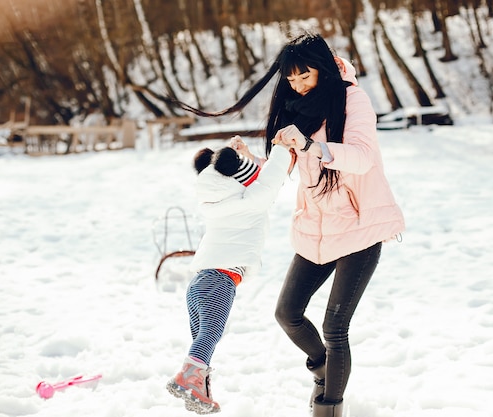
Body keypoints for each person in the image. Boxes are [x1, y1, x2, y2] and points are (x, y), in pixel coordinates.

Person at [167, 32, 405, 417]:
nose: (297, 85)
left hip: (360, 227)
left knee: (335, 327)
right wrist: (249, 163)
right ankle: (325, 367)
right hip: (316, 229)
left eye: (304, 76)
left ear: (323, 68)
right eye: (290, 80)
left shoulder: (352, 100)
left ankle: (328, 406)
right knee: (287, 313)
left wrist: (310, 145)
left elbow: (362, 158)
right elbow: (281, 170)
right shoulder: (297, 109)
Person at [166, 140, 291, 414]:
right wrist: (282, 148)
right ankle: (187, 377)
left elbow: (251, 177)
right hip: (220, 280)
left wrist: (242, 155)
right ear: (236, 177)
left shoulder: (213, 202)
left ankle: (201, 393)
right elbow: (270, 179)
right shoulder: (250, 202)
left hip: (198, 282)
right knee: (211, 334)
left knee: (203, 342)